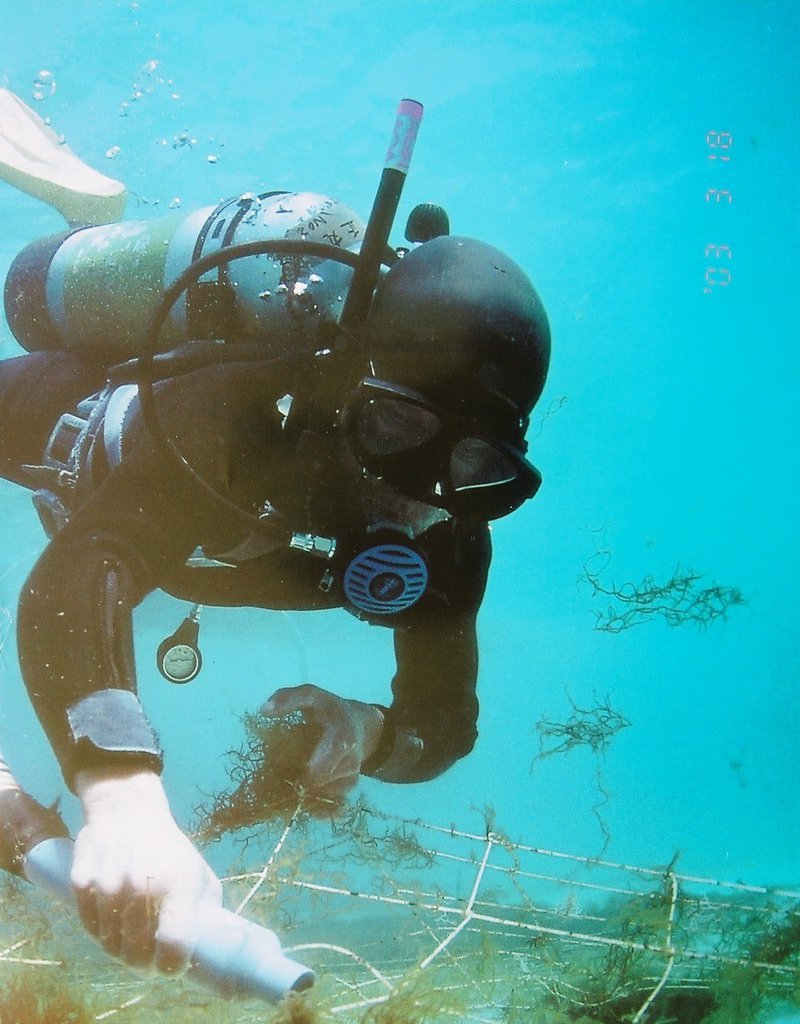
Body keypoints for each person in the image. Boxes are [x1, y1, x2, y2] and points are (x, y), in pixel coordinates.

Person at [0, 92, 551, 976]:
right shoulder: (247, 410)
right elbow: (84, 568)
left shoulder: (449, 527)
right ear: (343, 394)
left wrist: (366, 729)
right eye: (395, 431)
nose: (414, 491)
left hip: (205, 530)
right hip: (80, 420)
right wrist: (122, 793)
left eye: (474, 460)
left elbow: (443, 725)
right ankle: (84, 226)